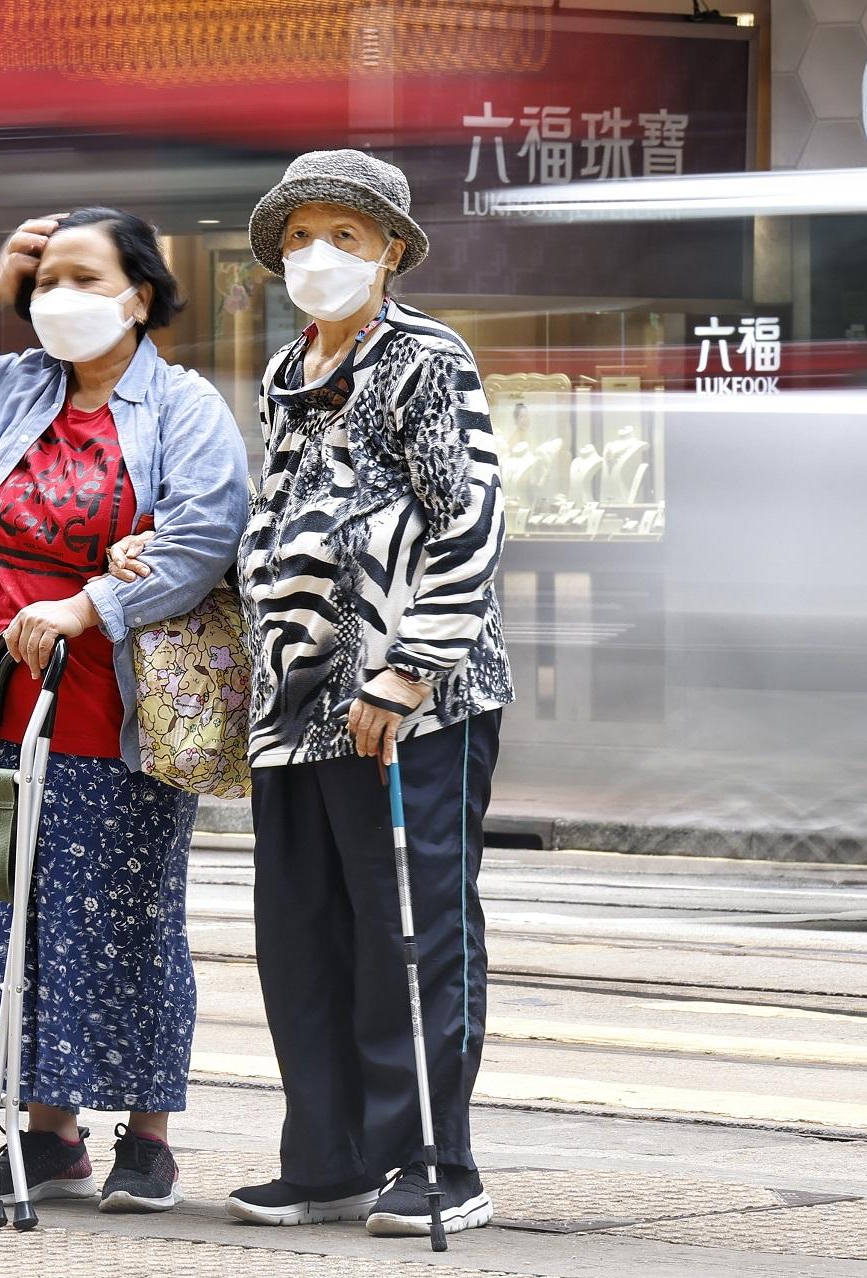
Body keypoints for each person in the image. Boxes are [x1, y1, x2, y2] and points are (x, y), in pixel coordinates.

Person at [112, 150, 512, 1238]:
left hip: (408, 699)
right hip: (294, 705)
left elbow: (469, 520)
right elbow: (285, 522)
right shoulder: (290, 370)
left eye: (344, 235)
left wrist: (409, 667)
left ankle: (438, 1161)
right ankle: (327, 1159)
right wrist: (179, 552)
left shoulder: (426, 358)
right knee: (303, 931)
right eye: (297, 238)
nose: (316, 256)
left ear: (391, 251)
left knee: (412, 927)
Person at [0, 208, 249, 1215]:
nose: (60, 299)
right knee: (7, 925)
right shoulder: (13, 392)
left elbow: (205, 535)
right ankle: (48, 1133)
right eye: (46, 283)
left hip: (114, 711)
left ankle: (148, 1140)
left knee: (125, 924)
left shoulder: (182, 407)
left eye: (86, 279)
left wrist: (91, 605)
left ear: (140, 297)